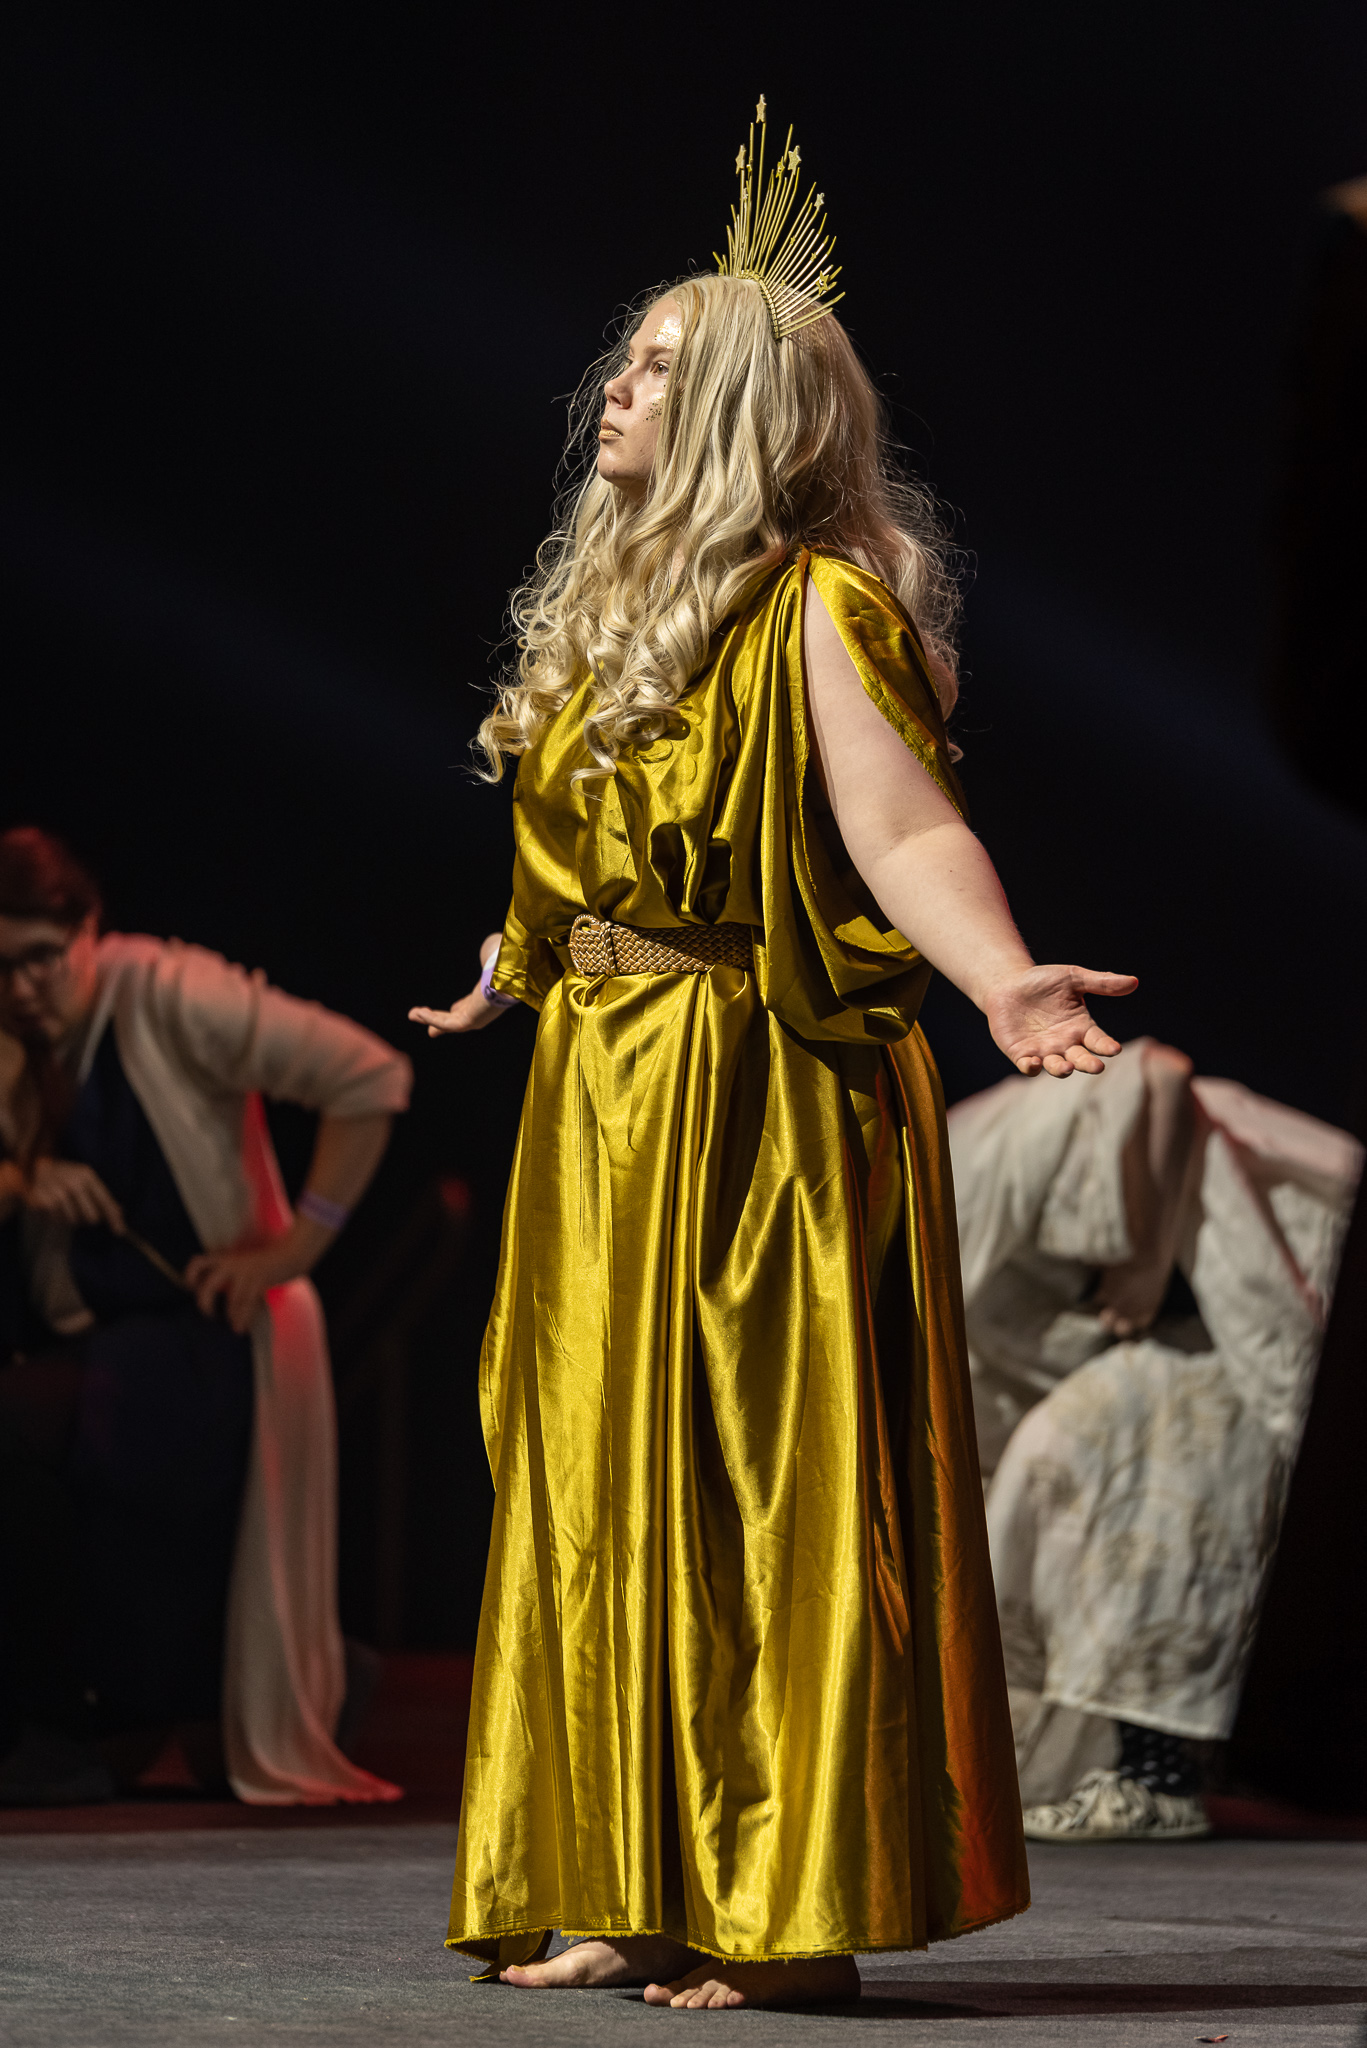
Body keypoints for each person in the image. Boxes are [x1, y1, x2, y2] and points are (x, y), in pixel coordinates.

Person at [412, 104, 1135, 2010]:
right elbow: (582, 861)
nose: (618, 388)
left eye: (662, 367)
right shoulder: (607, 616)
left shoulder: (815, 604)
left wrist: (999, 981)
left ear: (742, 410)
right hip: (603, 1093)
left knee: (753, 1486)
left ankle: (774, 1900)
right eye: (626, 359)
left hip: (754, 1091)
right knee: (595, 1486)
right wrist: (512, 968)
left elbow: (899, 832)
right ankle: (620, 1872)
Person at [0, 826, 411, 1805]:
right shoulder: (12, 1034)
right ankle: (83, 1719)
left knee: (109, 1432)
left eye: (41, 958)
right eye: (1, 967)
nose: (22, 987)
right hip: (102, 1340)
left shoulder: (170, 993)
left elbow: (368, 1076)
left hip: (216, 1330)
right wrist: (21, 1179)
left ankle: (104, 1722)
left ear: (88, 931)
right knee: (50, 1426)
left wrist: (294, 1247)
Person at [948, 1037, 1361, 1840]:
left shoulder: (971, 1155)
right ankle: (1143, 1766)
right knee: (1066, 1458)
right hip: (1204, 1316)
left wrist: (1141, 1254)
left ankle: (1157, 1774)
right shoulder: (952, 1181)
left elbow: (1162, 1073)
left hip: (1269, 1278)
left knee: (1113, 1460)